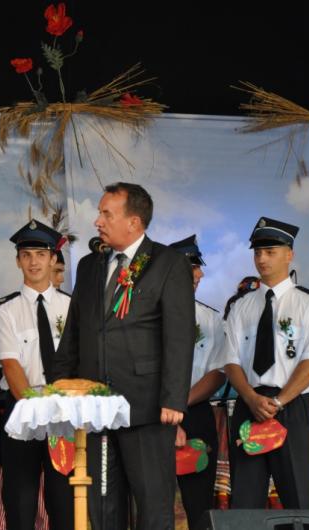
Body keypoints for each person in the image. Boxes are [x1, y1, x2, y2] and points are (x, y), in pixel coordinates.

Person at [51, 182, 196, 529]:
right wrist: (58, 388)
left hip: (146, 409)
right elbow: (75, 333)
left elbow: (179, 336)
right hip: (96, 410)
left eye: (107, 214)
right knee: (103, 508)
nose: (97, 221)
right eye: (99, 213)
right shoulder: (89, 265)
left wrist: (174, 399)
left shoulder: (168, 263)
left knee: (153, 507)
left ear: (134, 222)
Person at [221, 216, 309, 509]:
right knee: (245, 502)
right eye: (258, 252)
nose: (261, 259)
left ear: (289, 254)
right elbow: (230, 362)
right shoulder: (241, 305)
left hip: (290, 406)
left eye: (270, 251)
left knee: (299, 498)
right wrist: (250, 398)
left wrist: (279, 402)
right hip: (249, 404)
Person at [0, 219, 74, 530]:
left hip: (63, 412)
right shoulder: (5, 310)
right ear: (17, 261)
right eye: (26, 255)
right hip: (23, 410)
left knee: (63, 501)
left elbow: (79, 363)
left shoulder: (72, 307)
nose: (33, 262)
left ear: (53, 259)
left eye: (40, 254)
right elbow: (11, 366)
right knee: (20, 501)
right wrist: (34, 408)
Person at [169, 234, 226, 529]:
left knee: (200, 507)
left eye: (198, 268)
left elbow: (219, 371)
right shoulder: (146, 317)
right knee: (154, 507)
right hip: (155, 418)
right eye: (192, 267)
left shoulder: (211, 319)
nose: (199, 274)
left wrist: (179, 404)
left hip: (196, 413)